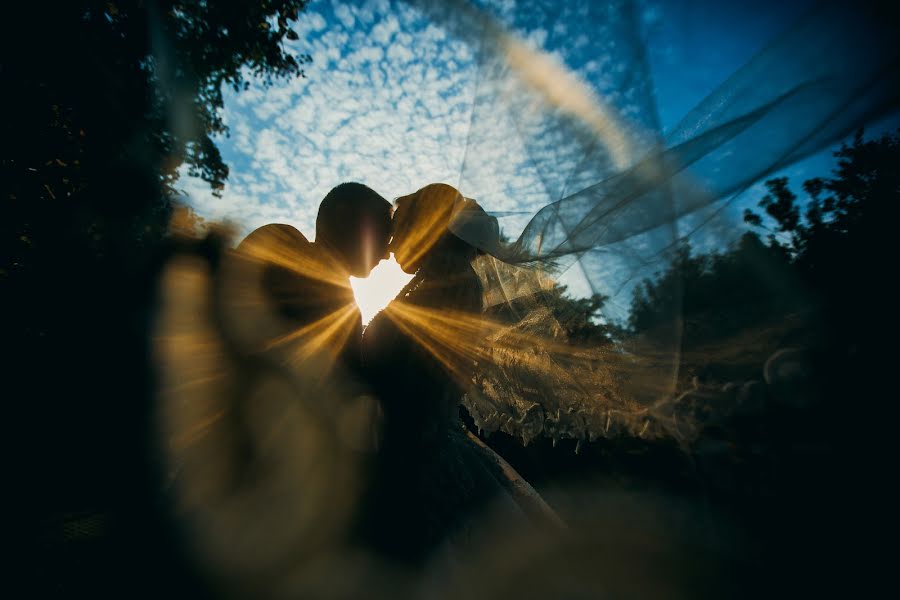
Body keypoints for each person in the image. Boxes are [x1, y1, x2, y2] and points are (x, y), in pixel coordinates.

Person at [354, 183, 558, 565]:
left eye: (401, 229)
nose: (392, 244)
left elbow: (431, 381)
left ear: (426, 231)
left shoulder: (455, 287)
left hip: (418, 459)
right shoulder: (431, 285)